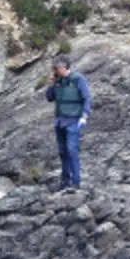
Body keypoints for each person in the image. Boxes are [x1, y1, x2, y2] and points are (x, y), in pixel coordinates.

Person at [44, 55, 91, 191]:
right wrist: (51, 83)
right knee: (62, 152)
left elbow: (87, 98)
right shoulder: (58, 81)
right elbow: (49, 97)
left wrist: (84, 115)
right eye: (54, 69)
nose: (55, 71)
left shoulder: (78, 79)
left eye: (56, 69)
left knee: (72, 150)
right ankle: (65, 181)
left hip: (73, 121)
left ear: (63, 67)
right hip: (59, 122)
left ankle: (75, 182)